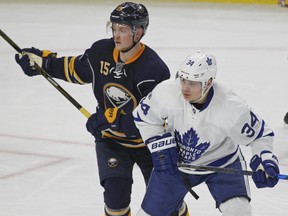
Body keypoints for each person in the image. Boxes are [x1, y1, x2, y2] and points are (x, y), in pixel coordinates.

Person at [14, 2, 190, 216]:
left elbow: (152, 121)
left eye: (123, 30)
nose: (116, 35)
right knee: (115, 202)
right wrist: (43, 63)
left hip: (151, 146)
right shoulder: (101, 51)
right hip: (112, 141)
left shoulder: (154, 70)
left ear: (139, 32)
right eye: (114, 28)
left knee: (169, 204)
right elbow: (76, 69)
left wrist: (111, 118)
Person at [133, 51, 280, 216]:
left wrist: (264, 159)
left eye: (193, 83)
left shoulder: (231, 107)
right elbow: (143, 117)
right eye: (183, 80)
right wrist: (158, 145)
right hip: (175, 165)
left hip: (222, 164)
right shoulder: (167, 92)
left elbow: (261, 136)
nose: (185, 88)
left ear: (208, 82)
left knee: (239, 212)